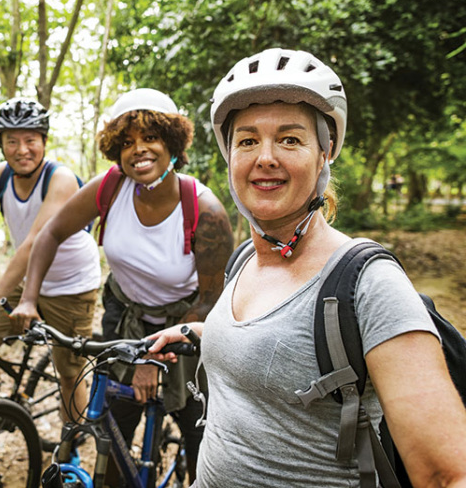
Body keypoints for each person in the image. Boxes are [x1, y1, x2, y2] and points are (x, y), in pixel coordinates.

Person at [147, 48, 466, 487]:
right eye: (247, 140)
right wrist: (200, 333)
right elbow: (275, 344)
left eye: (290, 139)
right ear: (229, 157)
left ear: (324, 153)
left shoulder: (367, 285)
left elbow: (447, 474)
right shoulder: (244, 260)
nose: (266, 157)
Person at [14, 88, 234, 481]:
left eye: (150, 138)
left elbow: (211, 299)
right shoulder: (109, 188)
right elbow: (50, 234)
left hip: (186, 321)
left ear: (172, 143)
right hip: (126, 315)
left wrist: (152, 358)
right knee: (114, 434)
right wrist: (29, 299)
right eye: (128, 142)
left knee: (198, 430)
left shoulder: (205, 209)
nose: (139, 150)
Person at [0, 97, 101, 456]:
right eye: (12, 141)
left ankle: (70, 450)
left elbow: (35, 240)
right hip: (26, 282)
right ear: (1, 144)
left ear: (44, 141)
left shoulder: (61, 179)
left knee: (69, 371)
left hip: (71, 285)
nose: (22, 150)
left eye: (30, 140)